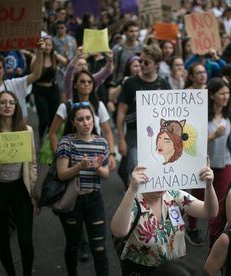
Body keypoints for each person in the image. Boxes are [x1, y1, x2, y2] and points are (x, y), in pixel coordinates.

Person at [110, 165, 218, 275]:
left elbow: (210, 212)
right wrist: (131, 190)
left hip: (174, 270)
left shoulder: (174, 195)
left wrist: (209, 186)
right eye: (155, 179)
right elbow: (118, 231)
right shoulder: (134, 202)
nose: (161, 186)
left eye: (164, 179)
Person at [0, 91, 38, 276]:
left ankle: (27, 273)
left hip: (20, 188)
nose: (7, 105)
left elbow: (32, 164)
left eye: (11, 102)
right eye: (3, 102)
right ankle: (11, 273)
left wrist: (32, 190)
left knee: (26, 241)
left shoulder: (26, 131)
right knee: (2, 238)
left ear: (16, 107)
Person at [187, 78, 231, 246]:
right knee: (198, 199)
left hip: (225, 162)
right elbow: (192, 141)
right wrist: (213, 136)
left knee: (221, 201)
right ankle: (192, 228)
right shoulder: (200, 114)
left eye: (227, 93)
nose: (225, 96)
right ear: (212, 95)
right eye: (221, 93)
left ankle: (215, 236)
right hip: (203, 164)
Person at [55, 103, 110, 275]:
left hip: (94, 199)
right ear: (73, 122)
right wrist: (79, 166)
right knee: (73, 246)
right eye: (80, 119)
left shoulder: (102, 142)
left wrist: (97, 168)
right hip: (73, 201)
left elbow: (106, 173)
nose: (86, 123)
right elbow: (62, 174)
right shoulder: (66, 142)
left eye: (88, 118)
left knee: (99, 247)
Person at [116, 45, 171, 184]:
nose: (141, 65)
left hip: (158, 136)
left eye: (146, 62)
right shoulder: (130, 83)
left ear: (157, 65)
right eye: (140, 61)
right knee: (137, 173)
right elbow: (121, 112)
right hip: (134, 135)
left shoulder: (164, 84)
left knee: (154, 175)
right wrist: (121, 140)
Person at [49, 70, 115, 170]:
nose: (86, 84)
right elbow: (52, 133)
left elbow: (108, 132)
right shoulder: (65, 107)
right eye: (82, 81)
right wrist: (58, 157)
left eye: (89, 82)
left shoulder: (99, 106)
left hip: (94, 159)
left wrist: (111, 154)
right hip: (70, 159)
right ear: (75, 85)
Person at [31, 36, 67, 140]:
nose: (48, 47)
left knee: (53, 119)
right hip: (40, 90)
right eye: (46, 45)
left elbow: (66, 62)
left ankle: (50, 141)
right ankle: (41, 139)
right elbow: (32, 69)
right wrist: (39, 53)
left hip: (53, 89)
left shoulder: (54, 56)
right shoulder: (37, 55)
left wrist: (64, 53)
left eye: (50, 45)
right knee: (44, 120)